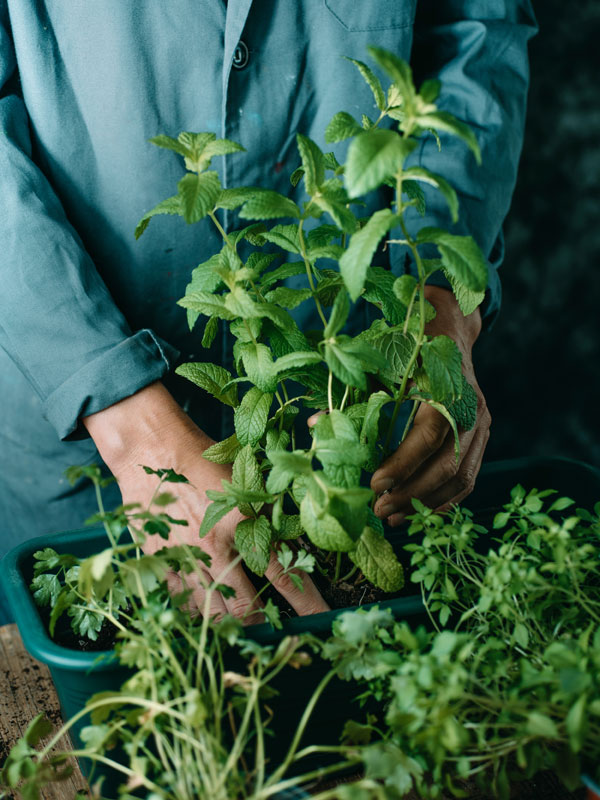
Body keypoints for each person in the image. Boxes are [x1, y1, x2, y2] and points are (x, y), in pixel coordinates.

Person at [0, 0, 537, 623]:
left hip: (350, 388)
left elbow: (476, 34)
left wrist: (441, 306)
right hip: (68, 388)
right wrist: (132, 427)